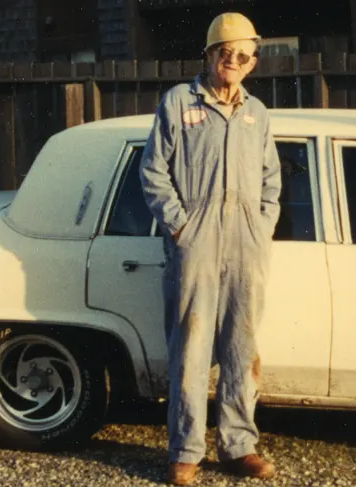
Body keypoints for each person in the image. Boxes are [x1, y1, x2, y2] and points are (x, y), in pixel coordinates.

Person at [139, 12, 282, 486]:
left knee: (242, 347)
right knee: (192, 346)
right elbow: (154, 172)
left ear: (253, 61)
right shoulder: (179, 103)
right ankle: (186, 450)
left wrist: (261, 227)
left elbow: (270, 180)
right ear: (209, 54)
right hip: (195, 243)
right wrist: (181, 228)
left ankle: (239, 445)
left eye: (243, 55)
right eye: (226, 53)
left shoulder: (256, 113)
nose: (234, 61)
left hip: (245, 244)